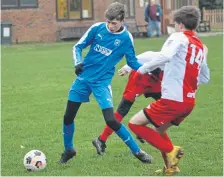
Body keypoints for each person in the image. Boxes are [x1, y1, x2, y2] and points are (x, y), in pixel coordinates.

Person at [59, 2, 152, 164]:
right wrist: (77, 63)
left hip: (101, 83)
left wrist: (149, 70)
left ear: (122, 20)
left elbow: (132, 61)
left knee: (111, 120)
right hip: (83, 78)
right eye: (108, 22)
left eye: (114, 23)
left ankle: (137, 151)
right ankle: (69, 150)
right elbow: (78, 47)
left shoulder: (125, 38)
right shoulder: (97, 28)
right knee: (68, 116)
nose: (110, 26)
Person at [128, 6, 210, 176]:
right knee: (158, 130)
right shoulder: (199, 46)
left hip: (173, 99)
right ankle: (170, 167)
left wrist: (141, 70)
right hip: (188, 102)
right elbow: (205, 78)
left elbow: (164, 56)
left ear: (180, 25)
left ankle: (172, 150)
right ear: (195, 25)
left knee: (134, 123)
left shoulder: (179, 37)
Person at [92, 51, 164, 153]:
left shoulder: (180, 62)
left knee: (166, 105)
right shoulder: (156, 56)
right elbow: (137, 58)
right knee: (123, 110)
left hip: (156, 81)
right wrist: (126, 68)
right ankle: (101, 140)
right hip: (139, 79)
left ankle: (142, 129)